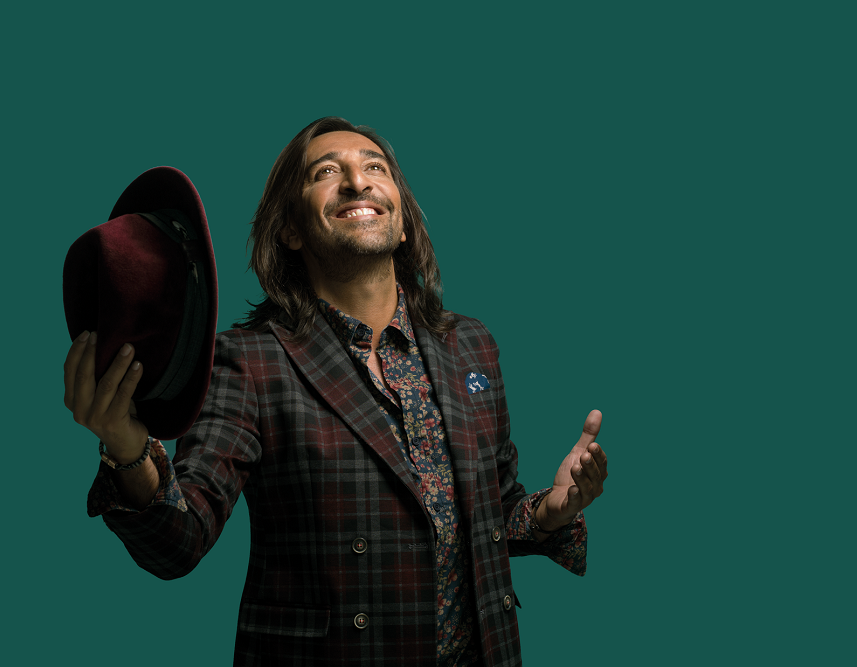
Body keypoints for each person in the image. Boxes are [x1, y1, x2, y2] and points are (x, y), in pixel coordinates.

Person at [63, 117, 608, 666]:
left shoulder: (471, 344)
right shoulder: (249, 361)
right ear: (290, 230)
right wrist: (128, 450)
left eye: (375, 167)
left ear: (402, 223)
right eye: (326, 172)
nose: (357, 181)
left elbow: (491, 516)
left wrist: (552, 510)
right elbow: (179, 540)